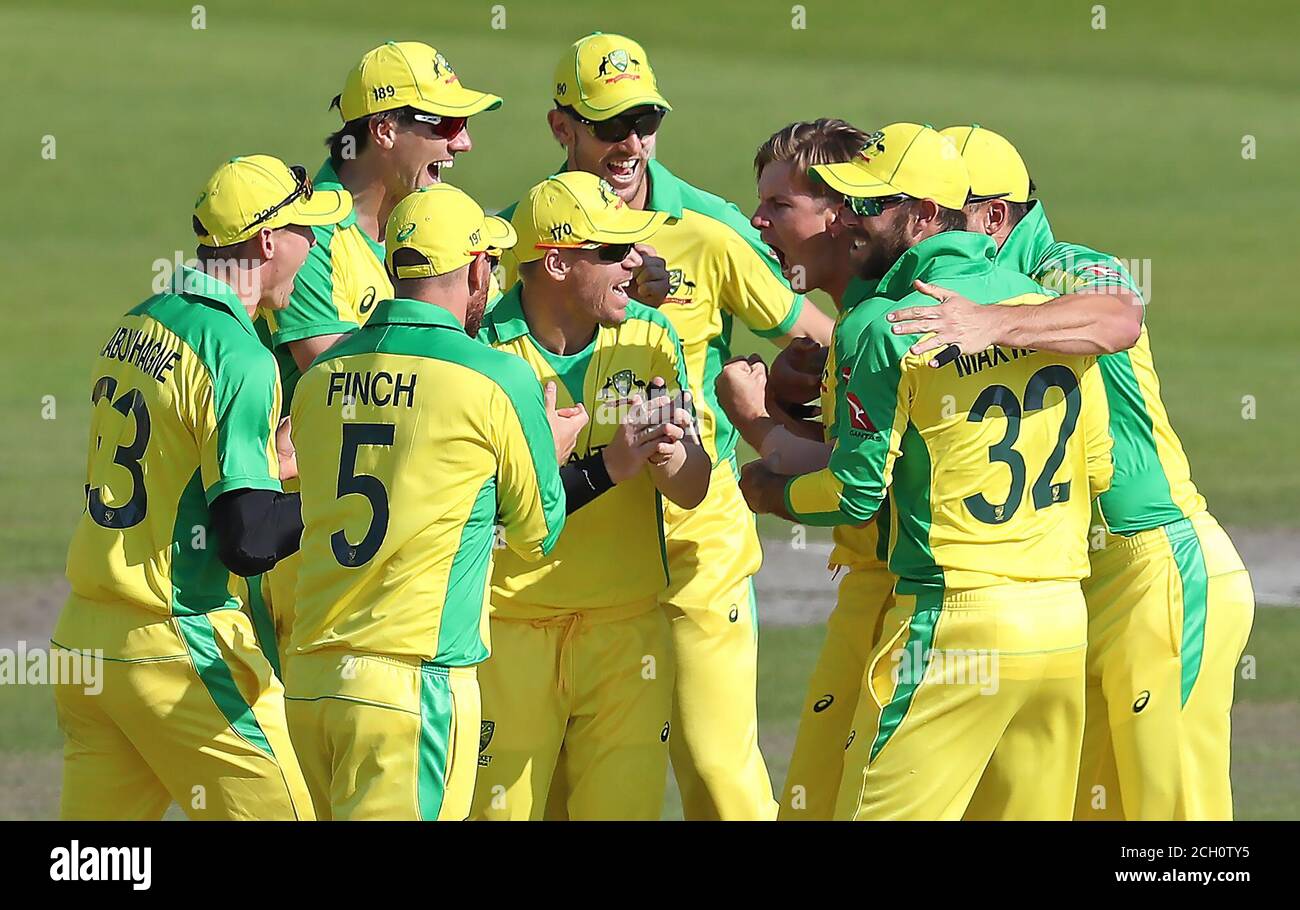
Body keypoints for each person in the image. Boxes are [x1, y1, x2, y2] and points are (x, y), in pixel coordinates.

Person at [501, 31, 833, 820]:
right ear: (561, 128)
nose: (631, 143)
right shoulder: (524, 232)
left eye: (644, 120)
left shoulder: (710, 227)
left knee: (715, 768)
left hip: (694, 543)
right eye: (610, 123)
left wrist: (779, 413)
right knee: (551, 790)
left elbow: (814, 338)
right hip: (570, 547)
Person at [740, 124, 1113, 820]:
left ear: (923, 217)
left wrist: (767, 488)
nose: (849, 219)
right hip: (1060, 626)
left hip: (952, 625)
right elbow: (1098, 468)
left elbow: (852, 494)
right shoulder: (1045, 312)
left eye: (868, 205)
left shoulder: (882, 323)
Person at [885, 125, 1255, 820]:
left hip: (1159, 571)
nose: (924, 230)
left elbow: (1120, 318)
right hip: (1077, 590)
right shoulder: (967, 293)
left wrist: (992, 324)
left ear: (994, 216)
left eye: (944, 212)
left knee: (1175, 822)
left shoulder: (1066, 268)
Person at [53, 155, 351, 819]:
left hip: (87, 645)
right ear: (269, 242)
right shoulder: (239, 355)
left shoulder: (141, 319)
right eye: (309, 231)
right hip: (176, 647)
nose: (316, 248)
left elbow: (168, 471)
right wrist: (340, 503)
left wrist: (267, 468)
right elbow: (247, 543)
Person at [281, 183, 565, 821]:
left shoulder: (320, 376)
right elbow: (538, 532)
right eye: (489, 264)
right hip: (413, 685)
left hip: (312, 681)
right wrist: (548, 447)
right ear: (473, 268)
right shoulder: (496, 377)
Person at [251, 40, 503, 665]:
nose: (462, 143)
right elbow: (353, 395)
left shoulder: (429, 228)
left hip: (381, 535)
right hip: (310, 559)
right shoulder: (312, 241)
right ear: (385, 130)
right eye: (445, 124)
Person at [471, 171, 710, 820]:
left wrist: (668, 456)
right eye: (612, 252)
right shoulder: (482, 351)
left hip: (627, 632)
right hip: (508, 629)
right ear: (553, 262)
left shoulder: (651, 338)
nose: (637, 265)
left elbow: (693, 488)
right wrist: (597, 461)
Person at [714, 118, 896, 819]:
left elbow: (862, 489)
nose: (757, 221)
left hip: (915, 605)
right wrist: (795, 405)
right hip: (872, 597)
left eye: (779, 206)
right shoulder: (851, 324)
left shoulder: (873, 324)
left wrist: (757, 429)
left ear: (840, 214)